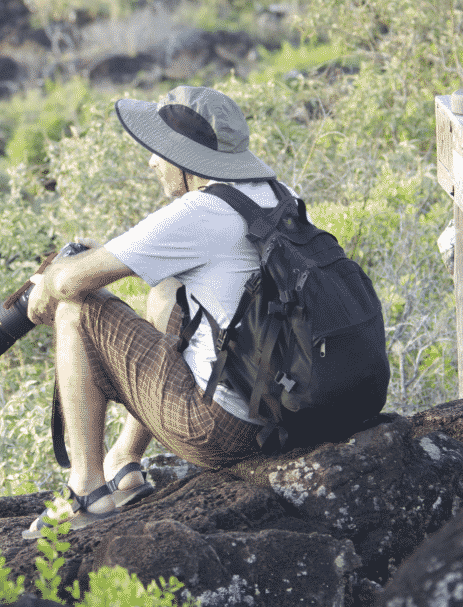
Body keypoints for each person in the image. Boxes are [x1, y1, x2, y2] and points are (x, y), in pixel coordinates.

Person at [22, 85, 295, 540]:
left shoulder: (201, 211)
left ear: (187, 159)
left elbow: (68, 285)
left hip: (221, 430)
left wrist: (49, 283)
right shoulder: (277, 193)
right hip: (283, 408)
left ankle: (86, 491)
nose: (152, 160)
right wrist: (102, 254)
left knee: (76, 310)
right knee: (165, 293)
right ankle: (124, 462)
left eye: (160, 151)